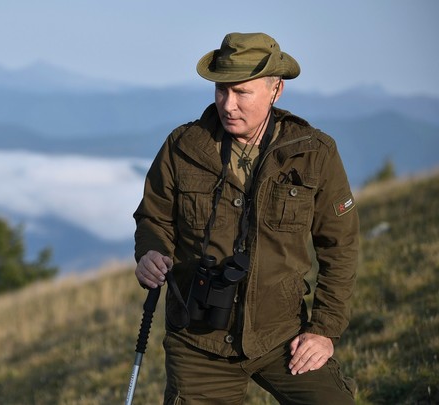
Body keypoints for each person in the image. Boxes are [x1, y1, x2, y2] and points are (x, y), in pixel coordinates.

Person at [133, 32, 359, 404]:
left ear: (276, 90)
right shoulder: (183, 146)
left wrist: (325, 330)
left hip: (283, 336)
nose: (228, 104)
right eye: (221, 90)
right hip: (197, 339)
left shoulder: (313, 153)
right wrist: (150, 253)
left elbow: (340, 246)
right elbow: (153, 217)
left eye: (242, 92)